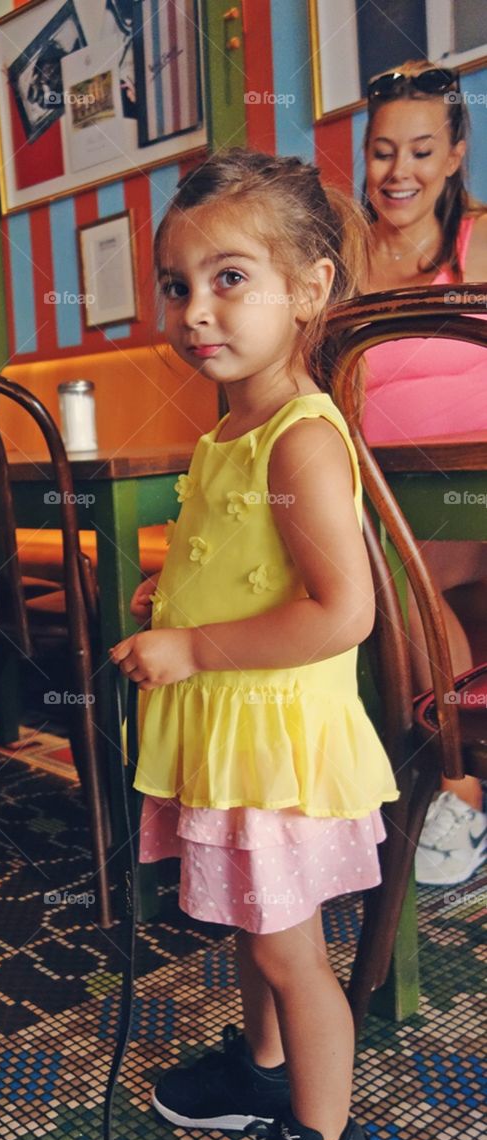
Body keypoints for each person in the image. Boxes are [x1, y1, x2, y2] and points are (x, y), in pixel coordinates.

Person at [109, 149, 398, 1140]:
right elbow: (252, 567)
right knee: (247, 925)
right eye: (176, 284)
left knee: (290, 951)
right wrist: (172, 591)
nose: (194, 310)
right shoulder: (229, 428)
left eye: (229, 278)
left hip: (274, 748)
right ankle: (262, 1066)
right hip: (230, 739)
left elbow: (339, 612)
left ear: (309, 289)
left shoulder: (302, 435)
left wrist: (191, 641)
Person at [361, 59, 487, 886]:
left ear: (452, 153)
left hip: (474, 486)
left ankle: (454, 788)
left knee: (399, 572)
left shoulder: (480, 238)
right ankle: (449, 785)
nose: (397, 172)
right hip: (374, 488)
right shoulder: (344, 251)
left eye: (417, 151)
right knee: (381, 569)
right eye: (379, 152)